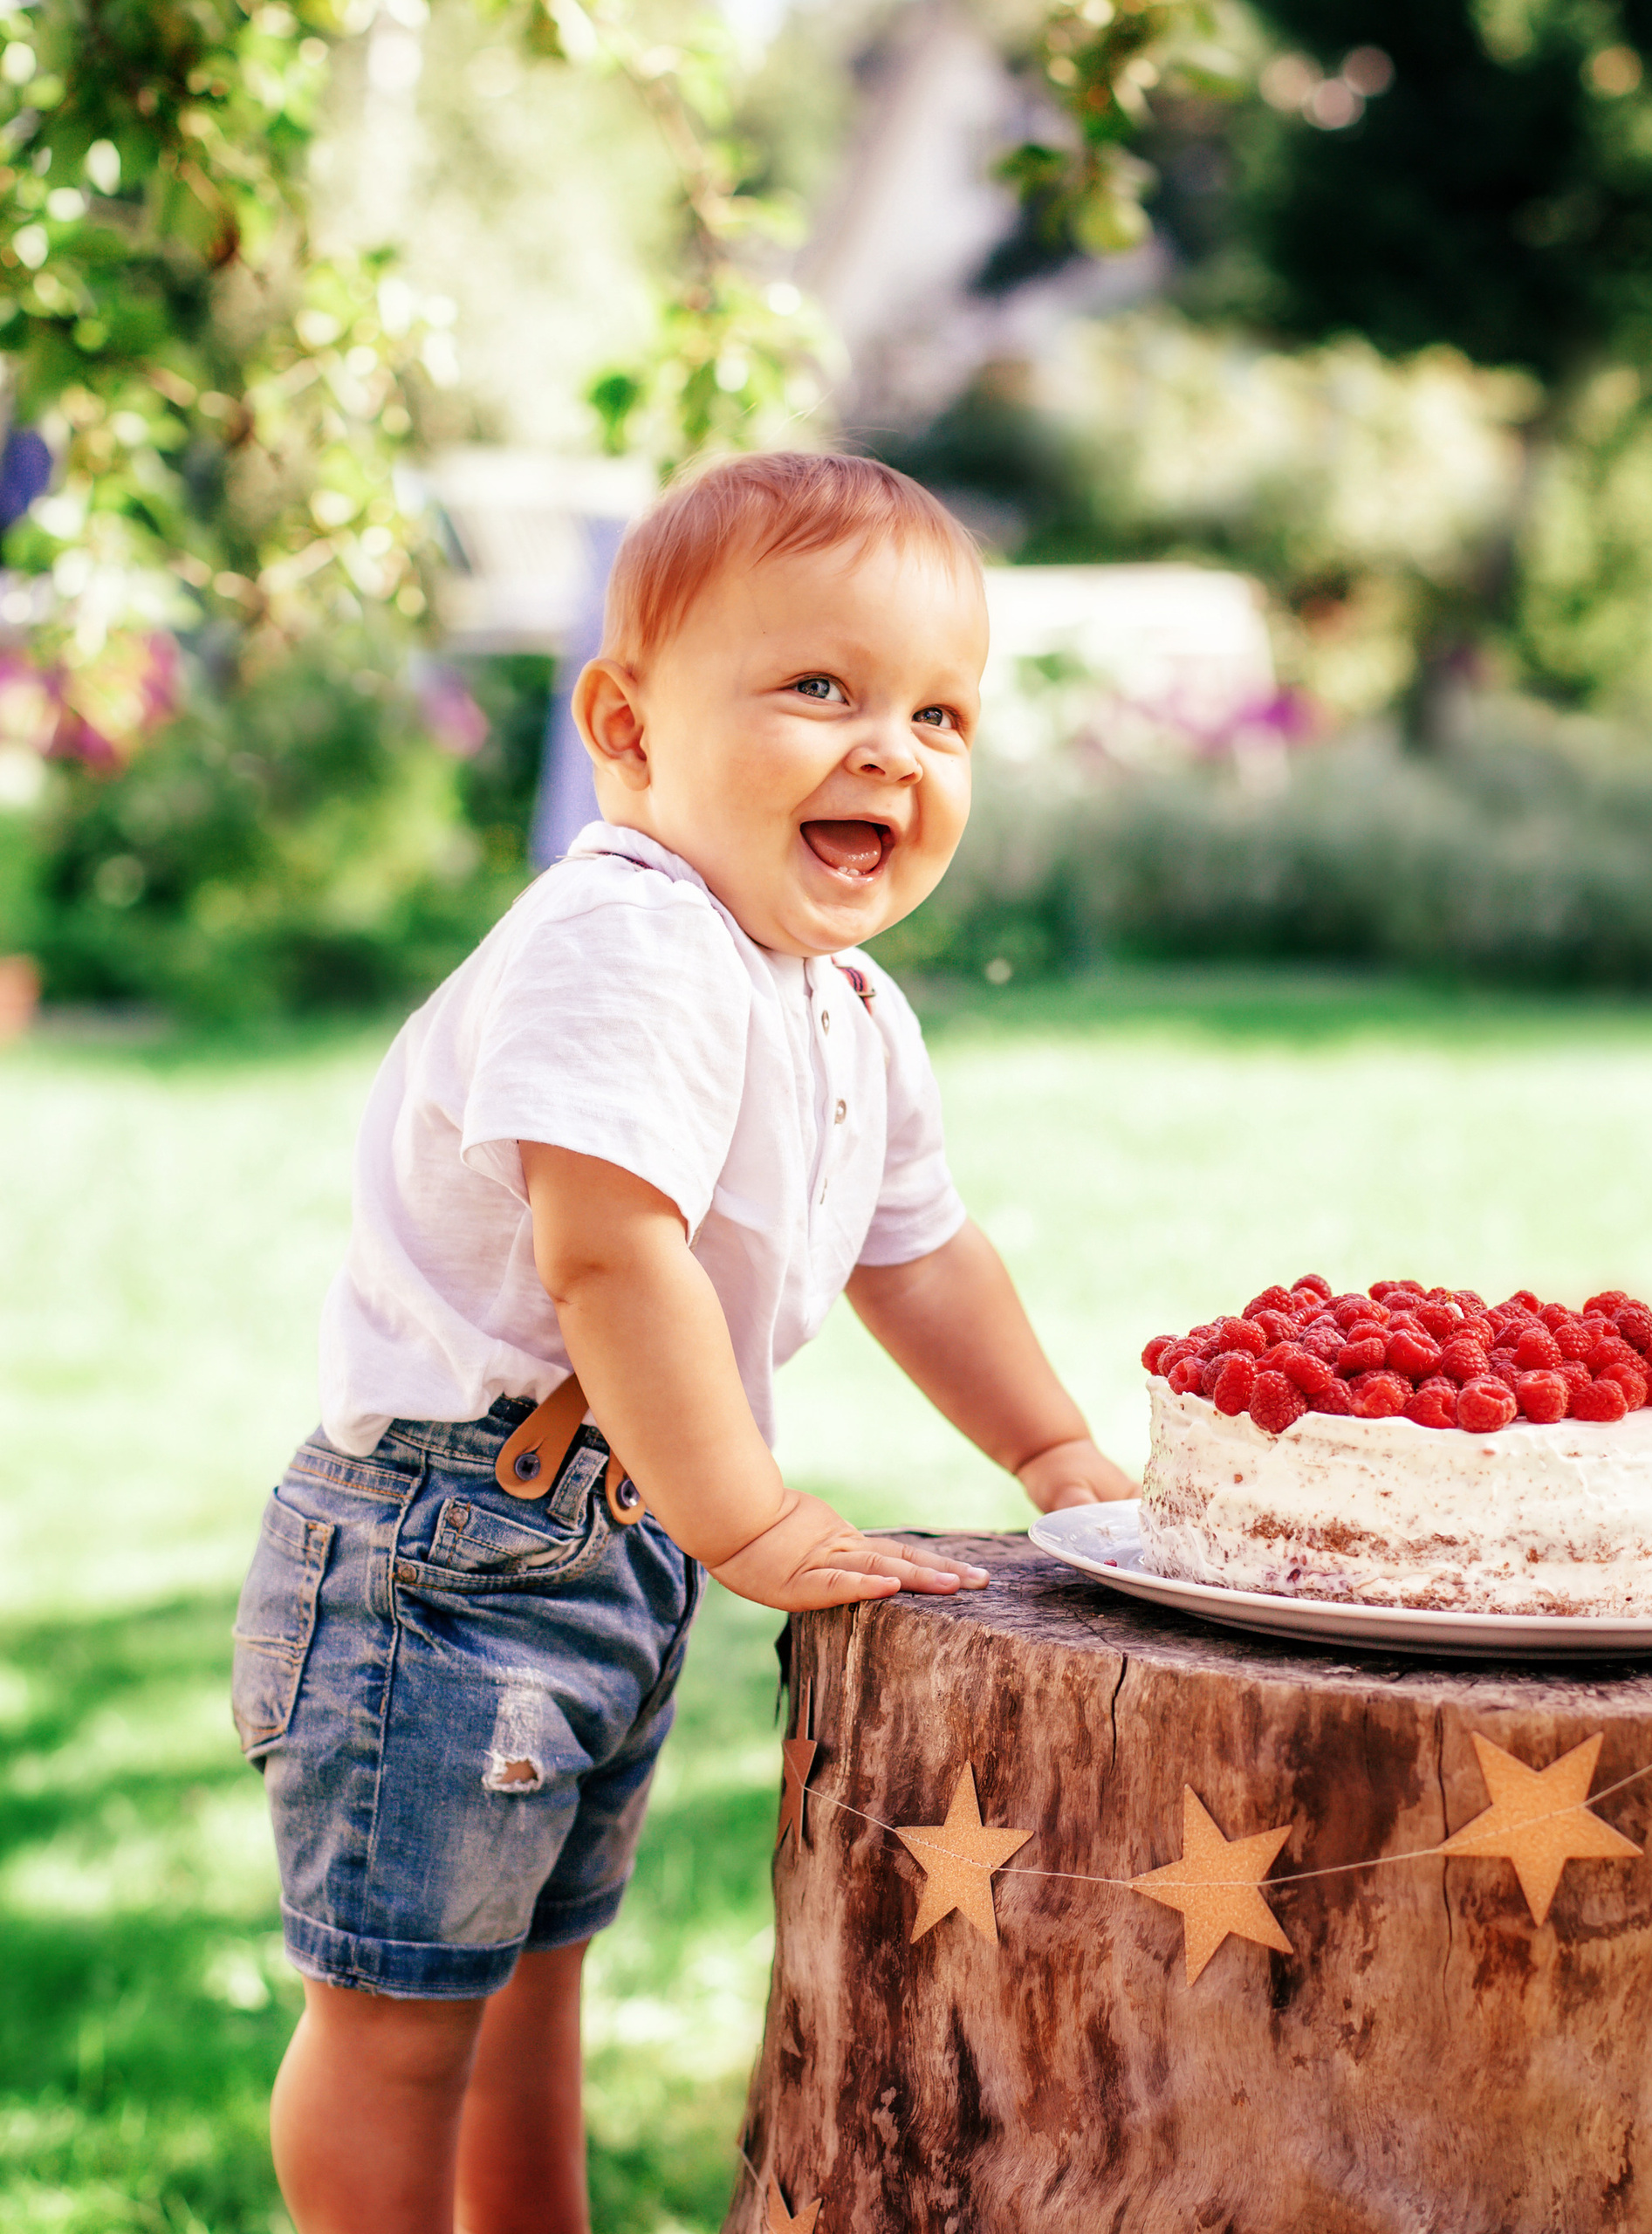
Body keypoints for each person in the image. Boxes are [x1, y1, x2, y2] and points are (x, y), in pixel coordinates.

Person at [228, 452, 1135, 2234]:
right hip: (447, 1550)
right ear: (628, 729)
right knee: (408, 2016)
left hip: (601, 1538)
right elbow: (607, 1252)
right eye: (818, 688)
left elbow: (922, 1252)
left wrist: (1054, 1453)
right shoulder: (624, 937)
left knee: (537, 1981)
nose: (887, 747)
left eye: (938, 713)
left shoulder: (845, 1000)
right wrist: (747, 1517)